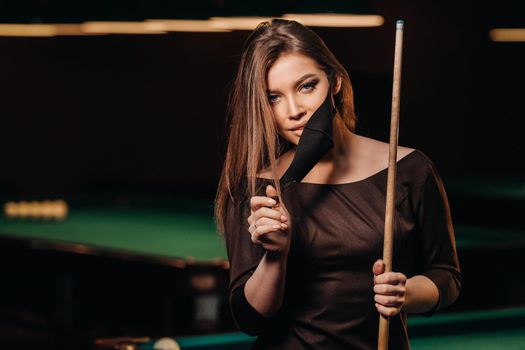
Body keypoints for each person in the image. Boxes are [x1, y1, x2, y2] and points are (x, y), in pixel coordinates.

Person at [214, 19, 461, 350]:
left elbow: (446, 276)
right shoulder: (257, 188)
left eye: (306, 86)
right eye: (273, 97)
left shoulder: (408, 170)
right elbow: (249, 320)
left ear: (335, 82)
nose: (294, 110)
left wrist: (406, 294)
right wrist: (276, 255)